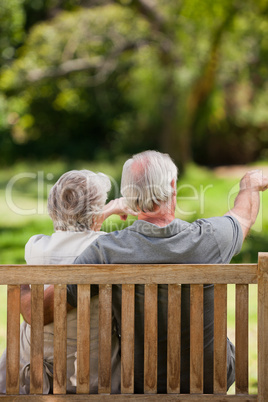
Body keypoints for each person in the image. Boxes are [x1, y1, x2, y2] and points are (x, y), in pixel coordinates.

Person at [20, 151, 268, 393]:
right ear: (172, 185)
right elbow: (244, 216)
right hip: (210, 379)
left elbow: (37, 311)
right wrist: (249, 186)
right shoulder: (210, 239)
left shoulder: (106, 252)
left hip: (141, 382)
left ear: (128, 195)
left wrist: (23, 283)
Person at [0, 169, 135, 394]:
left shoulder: (35, 247)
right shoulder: (110, 250)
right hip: (93, 380)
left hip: (30, 378)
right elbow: (88, 238)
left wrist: (97, 213)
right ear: (95, 214)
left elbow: (75, 233)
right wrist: (105, 211)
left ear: (53, 209)